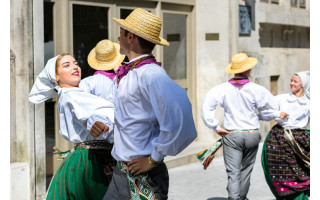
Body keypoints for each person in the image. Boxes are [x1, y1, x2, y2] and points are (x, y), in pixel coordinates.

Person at [102, 8, 197, 200]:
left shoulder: (151, 74)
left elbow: (181, 119)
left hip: (143, 176)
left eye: (121, 33)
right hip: (120, 172)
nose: (117, 38)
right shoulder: (131, 74)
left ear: (130, 37)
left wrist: (154, 159)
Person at [29, 53, 115, 200]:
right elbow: (89, 114)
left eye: (75, 63)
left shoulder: (77, 93)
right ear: (56, 76)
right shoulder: (71, 96)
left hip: (91, 157)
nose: (75, 67)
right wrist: (98, 124)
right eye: (66, 65)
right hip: (90, 162)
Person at [201, 53, 278, 200]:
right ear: (248, 70)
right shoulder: (257, 89)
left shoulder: (221, 89)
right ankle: (240, 198)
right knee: (246, 171)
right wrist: (259, 116)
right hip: (252, 134)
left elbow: (206, 106)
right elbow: (273, 108)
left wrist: (215, 126)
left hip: (232, 134)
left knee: (233, 173)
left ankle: (234, 198)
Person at [260, 71, 310, 200]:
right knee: (278, 171)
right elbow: (263, 114)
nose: (292, 83)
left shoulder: (310, 103)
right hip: (278, 138)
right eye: (291, 80)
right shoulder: (280, 99)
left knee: (301, 170)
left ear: (303, 84)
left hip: (300, 140)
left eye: (295, 81)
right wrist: (277, 114)